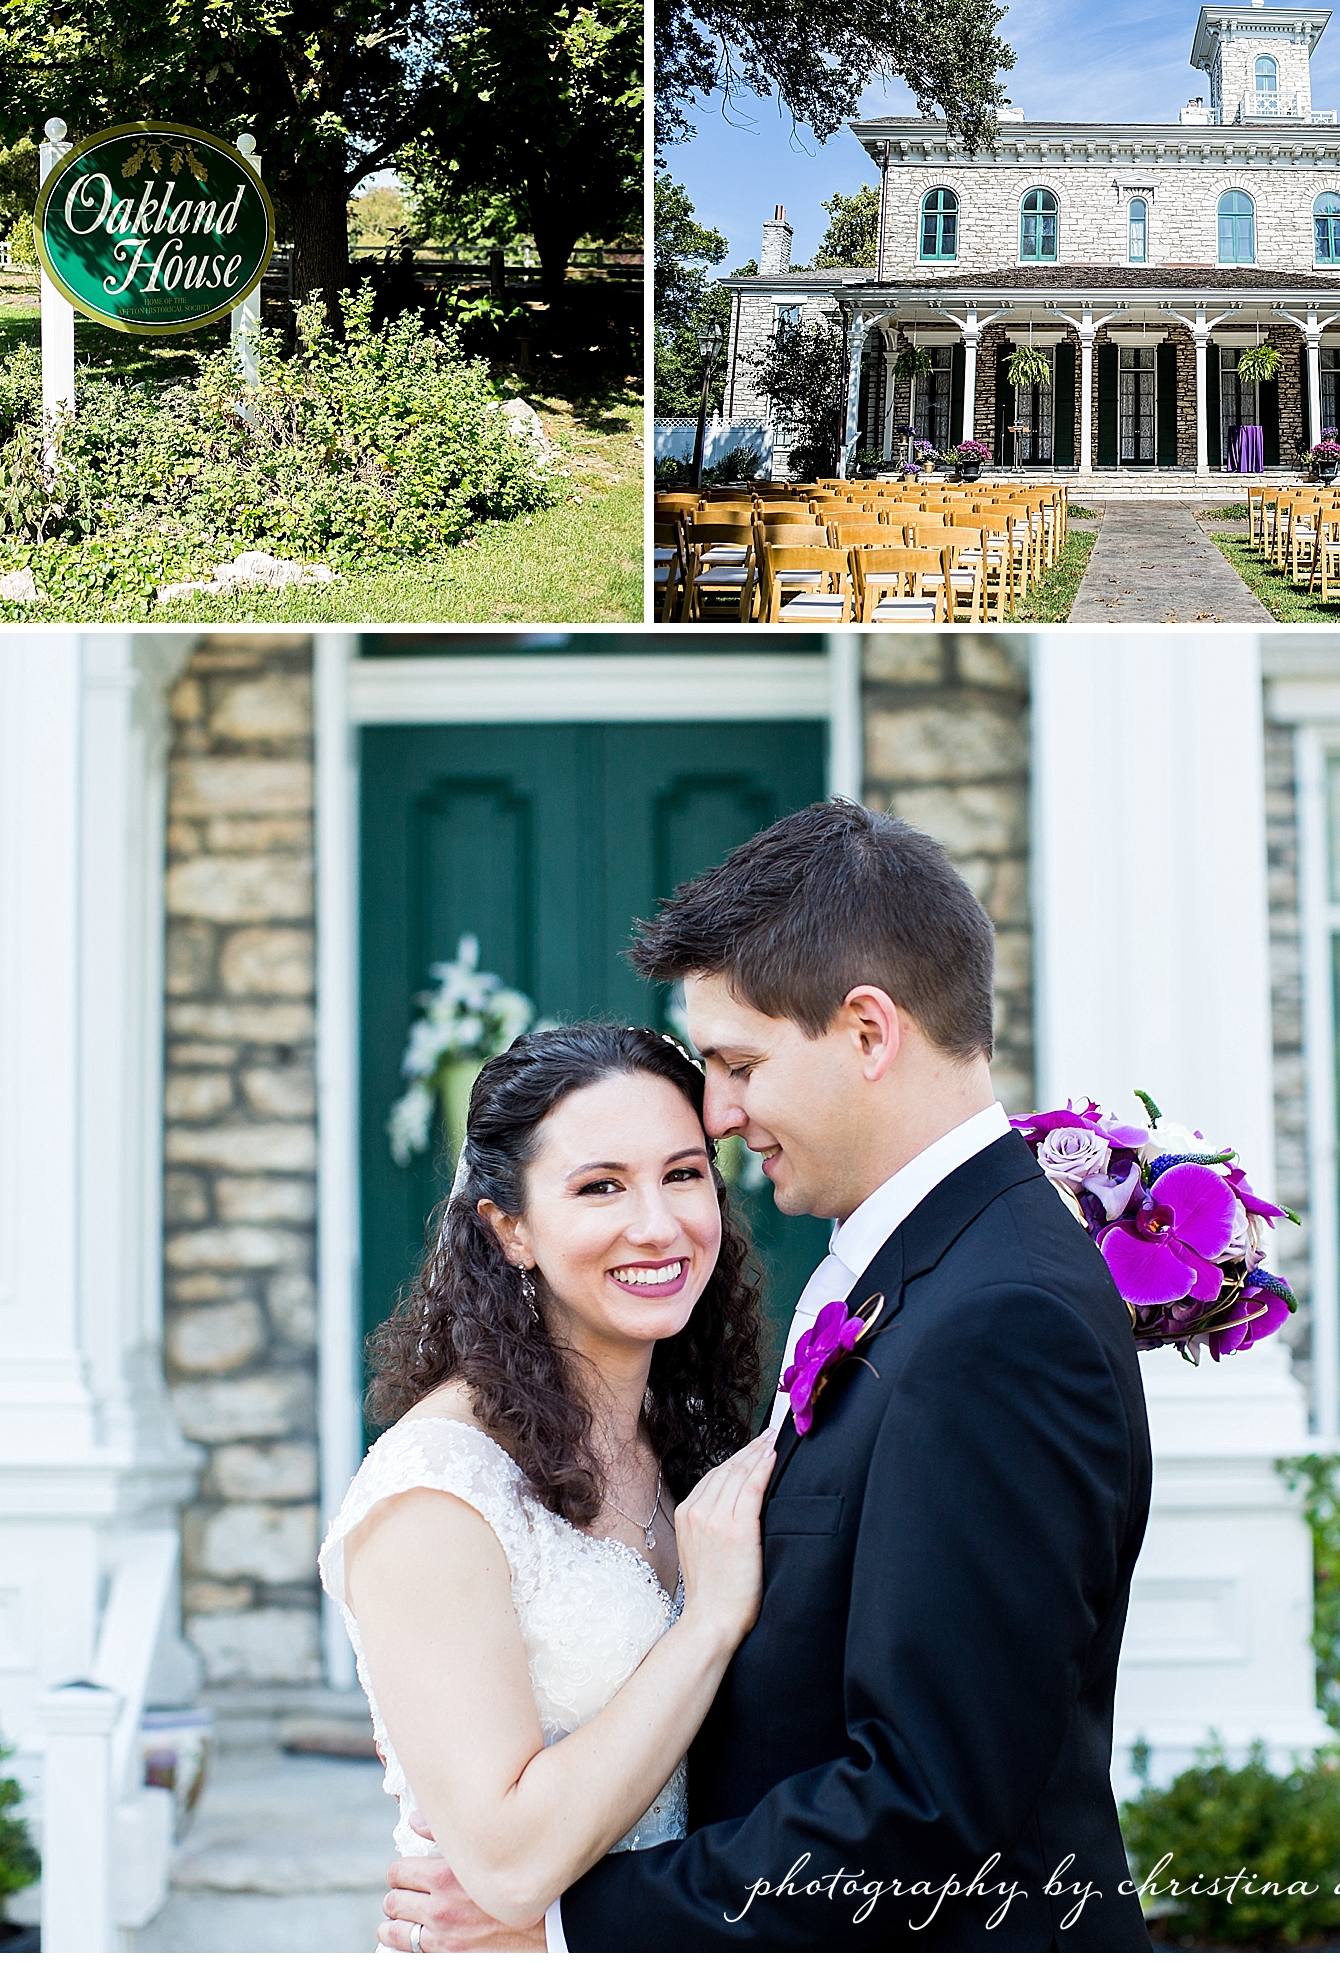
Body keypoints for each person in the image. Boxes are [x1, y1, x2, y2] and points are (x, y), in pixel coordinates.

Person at [381, 799, 1154, 1951]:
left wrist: (565, 1928)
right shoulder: (914, 1269)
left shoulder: (996, 1319)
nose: (723, 1113)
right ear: (508, 1228)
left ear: (867, 1033)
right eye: (598, 1185)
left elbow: (931, 1807)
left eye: (738, 1065)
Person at [318, 1022, 781, 1952]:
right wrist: (707, 1622)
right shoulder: (437, 1491)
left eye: (683, 1173)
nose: (657, 1223)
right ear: (510, 1227)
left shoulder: (692, 1431)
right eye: (600, 1186)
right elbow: (511, 1864)